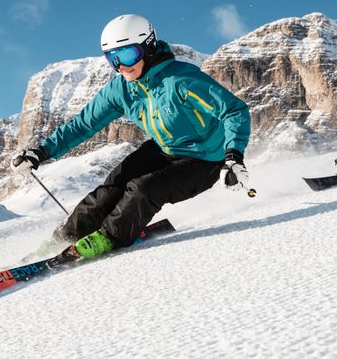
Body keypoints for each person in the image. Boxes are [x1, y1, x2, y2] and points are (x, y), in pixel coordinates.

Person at [13, 14, 252, 259]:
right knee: (111, 188)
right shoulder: (122, 89)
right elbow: (84, 124)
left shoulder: (181, 80)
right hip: (164, 149)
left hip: (206, 159)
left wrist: (234, 157)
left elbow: (234, 111)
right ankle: (64, 238)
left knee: (143, 189)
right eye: (112, 58)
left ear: (149, 48)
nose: (121, 66)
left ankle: (108, 238)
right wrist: (41, 153)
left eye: (127, 55)